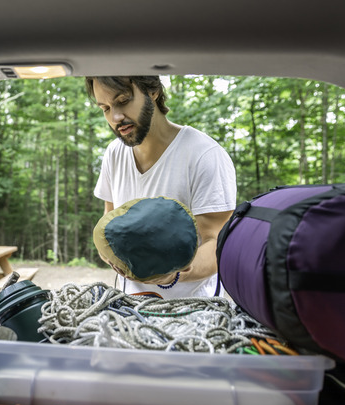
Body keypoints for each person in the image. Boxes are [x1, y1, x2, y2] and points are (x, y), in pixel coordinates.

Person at [87, 76, 236, 298]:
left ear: (153, 90)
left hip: (192, 312)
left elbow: (217, 246)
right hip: (130, 307)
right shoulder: (114, 154)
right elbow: (108, 222)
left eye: (123, 100)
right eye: (105, 108)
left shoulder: (204, 154)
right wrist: (110, 255)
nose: (115, 117)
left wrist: (173, 274)